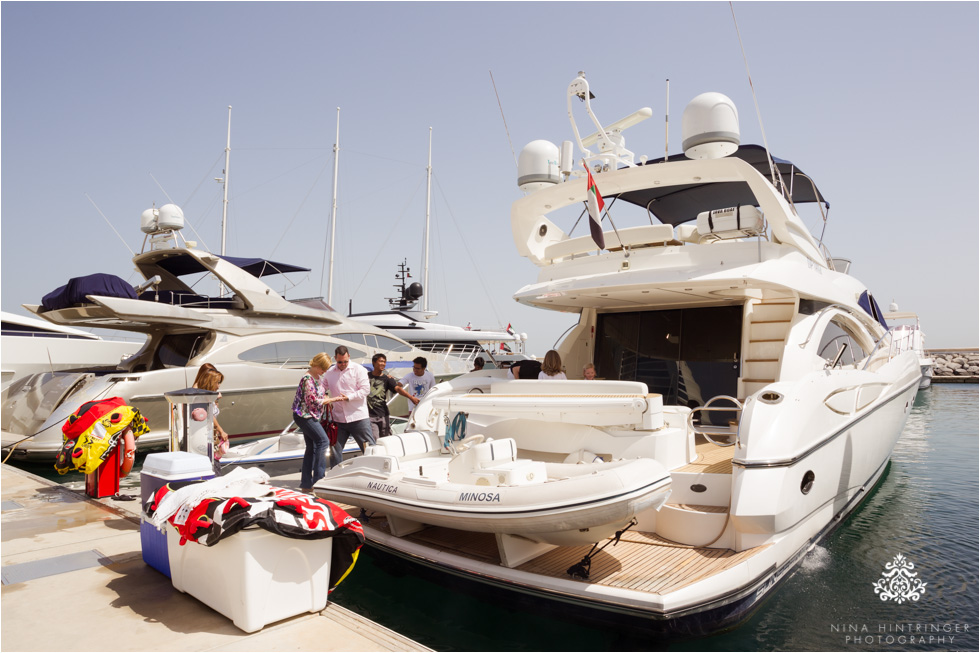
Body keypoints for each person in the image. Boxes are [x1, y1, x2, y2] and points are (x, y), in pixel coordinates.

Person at [292, 353, 339, 492]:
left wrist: (326, 396)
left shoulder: (317, 378)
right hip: (304, 416)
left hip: (309, 415)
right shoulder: (307, 379)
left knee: (311, 448)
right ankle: (319, 481)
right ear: (316, 366)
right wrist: (331, 400)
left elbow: (320, 394)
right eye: (323, 369)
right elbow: (312, 400)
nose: (324, 371)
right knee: (323, 442)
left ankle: (306, 484)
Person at [325, 345, 376, 466]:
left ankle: (375, 470)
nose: (343, 364)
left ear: (349, 357)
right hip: (338, 418)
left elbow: (365, 390)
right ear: (335, 359)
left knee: (369, 448)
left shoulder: (359, 370)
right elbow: (323, 386)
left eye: (345, 361)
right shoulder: (329, 372)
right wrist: (325, 395)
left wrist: (349, 397)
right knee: (334, 450)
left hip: (358, 417)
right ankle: (336, 474)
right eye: (340, 362)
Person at [367, 353, 415, 440]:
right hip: (369, 416)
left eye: (384, 362)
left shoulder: (387, 379)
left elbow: (398, 389)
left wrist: (411, 398)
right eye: (381, 361)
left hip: (383, 414)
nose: (383, 364)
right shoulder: (366, 376)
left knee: (386, 439)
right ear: (374, 363)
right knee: (375, 439)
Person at [192, 363, 228, 456]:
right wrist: (221, 430)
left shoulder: (207, 394)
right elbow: (209, 415)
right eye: (217, 382)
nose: (219, 386)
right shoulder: (199, 394)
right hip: (204, 438)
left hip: (209, 435)